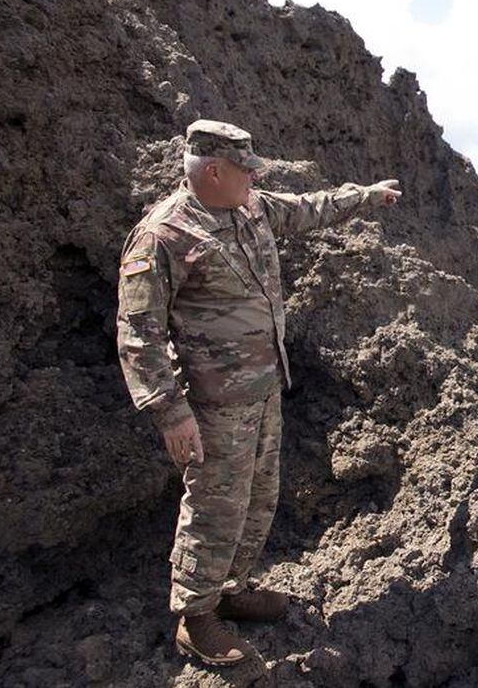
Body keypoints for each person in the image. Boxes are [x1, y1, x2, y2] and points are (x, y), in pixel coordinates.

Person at [116, 119, 402, 665]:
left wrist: (365, 197)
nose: (254, 178)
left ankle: (233, 590)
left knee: (260, 495)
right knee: (215, 506)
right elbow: (137, 333)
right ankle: (196, 619)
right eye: (245, 169)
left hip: (265, 389)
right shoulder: (165, 235)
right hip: (212, 404)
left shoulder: (248, 207)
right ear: (214, 169)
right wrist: (169, 412)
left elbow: (306, 208)